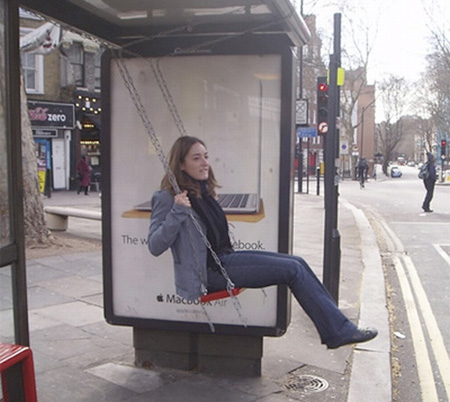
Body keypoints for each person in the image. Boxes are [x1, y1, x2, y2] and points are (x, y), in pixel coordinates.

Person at [147, 136, 377, 349]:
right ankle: (339, 332)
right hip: (207, 274)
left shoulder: (203, 193)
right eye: (196, 158)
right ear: (181, 165)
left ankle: (340, 328)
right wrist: (177, 211)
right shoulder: (167, 198)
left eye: (206, 156)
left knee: (297, 261)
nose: (205, 162)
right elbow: (155, 246)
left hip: (224, 260)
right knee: (293, 270)